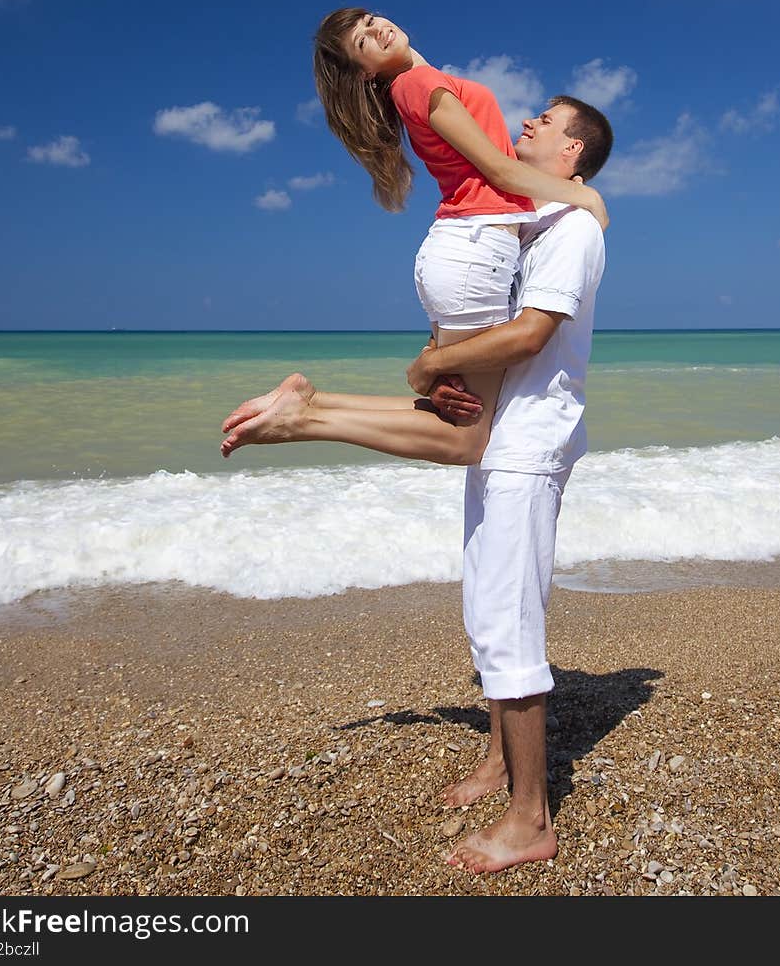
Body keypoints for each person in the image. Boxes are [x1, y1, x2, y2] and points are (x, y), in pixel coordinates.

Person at [221, 94, 611, 873]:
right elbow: (480, 329)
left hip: (530, 446)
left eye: (544, 122)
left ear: (572, 154)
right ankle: (501, 762)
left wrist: (427, 367)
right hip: (496, 438)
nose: (525, 125)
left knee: (510, 622)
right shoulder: (527, 224)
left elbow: (532, 332)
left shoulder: (573, 230)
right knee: (485, 603)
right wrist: (441, 375)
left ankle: (531, 819)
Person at [221, 9, 606, 467]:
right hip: (473, 252)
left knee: (455, 408)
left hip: (464, 251)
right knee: (465, 440)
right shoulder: (418, 87)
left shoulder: (418, 78)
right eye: (363, 41)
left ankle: (313, 402)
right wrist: (586, 198)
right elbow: (499, 170)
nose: (376, 29)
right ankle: (304, 420)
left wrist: (435, 361)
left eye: (370, 18)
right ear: (365, 71)